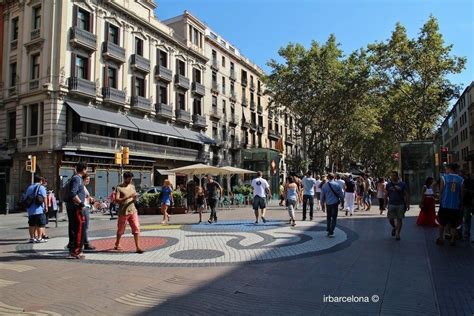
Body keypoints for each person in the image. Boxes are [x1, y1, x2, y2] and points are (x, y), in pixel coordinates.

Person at [114, 171, 143, 253]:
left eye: (131, 179)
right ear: (125, 178)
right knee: (120, 230)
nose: (130, 180)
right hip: (123, 212)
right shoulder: (119, 187)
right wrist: (127, 197)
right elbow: (116, 200)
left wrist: (134, 199)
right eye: (129, 179)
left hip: (133, 210)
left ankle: (138, 247)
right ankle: (117, 243)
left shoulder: (132, 186)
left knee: (136, 228)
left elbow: (133, 199)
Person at [437, 164, 463, 246]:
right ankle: (452, 240)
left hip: (445, 204)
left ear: (449, 169)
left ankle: (441, 239)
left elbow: (441, 191)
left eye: (446, 169)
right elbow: (461, 194)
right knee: (454, 224)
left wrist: (440, 200)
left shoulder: (444, 178)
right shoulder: (461, 179)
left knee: (442, 223)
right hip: (455, 205)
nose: (445, 170)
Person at [66, 162, 88, 259]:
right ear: (83, 169)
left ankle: (73, 250)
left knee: (74, 229)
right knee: (78, 229)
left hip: (74, 208)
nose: (86, 171)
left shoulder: (76, 178)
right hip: (76, 208)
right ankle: (76, 251)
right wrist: (81, 203)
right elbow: (73, 193)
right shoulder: (77, 179)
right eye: (86, 169)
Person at [384, 171, 409, 241]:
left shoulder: (402, 184)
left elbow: (406, 194)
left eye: (394, 175)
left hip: (400, 204)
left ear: (397, 176)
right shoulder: (388, 185)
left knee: (399, 219)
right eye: (391, 176)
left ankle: (398, 234)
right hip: (391, 204)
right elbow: (386, 194)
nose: (393, 177)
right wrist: (384, 203)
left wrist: (407, 204)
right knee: (390, 219)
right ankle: (395, 227)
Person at [25, 175, 48, 243]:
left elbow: (26, 197)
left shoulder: (29, 187)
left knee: (31, 224)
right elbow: (44, 197)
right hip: (39, 209)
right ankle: (39, 238)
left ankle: (32, 238)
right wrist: (46, 206)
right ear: (40, 181)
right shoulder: (41, 187)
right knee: (40, 224)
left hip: (30, 210)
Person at [320, 173, 344, 237]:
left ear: (327, 178)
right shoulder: (337, 185)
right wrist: (342, 202)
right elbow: (341, 195)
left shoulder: (324, 186)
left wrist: (322, 205)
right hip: (335, 203)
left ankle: (328, 228)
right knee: (334, 218)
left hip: (328, 204)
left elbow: (322, 197)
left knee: (328, 217)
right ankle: (331, 231)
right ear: (334, 178)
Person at [82, 174, 96, 250]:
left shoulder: (84, 187)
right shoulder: (81, 186)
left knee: (84, 226)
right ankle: (86, 243)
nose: (88, 181)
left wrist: (90, 198)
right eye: (87, 179)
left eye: (89, 179)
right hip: (84, 208)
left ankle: (84, 242)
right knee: (85, 226)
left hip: (85, 207)